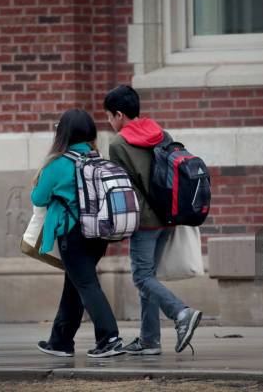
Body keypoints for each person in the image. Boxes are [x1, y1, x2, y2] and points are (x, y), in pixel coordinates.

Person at [105, 85, 202, 355]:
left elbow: (125, 189)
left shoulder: (118, 144)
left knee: (142, 277)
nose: (109, 122)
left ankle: (181, 313)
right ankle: (149, 341)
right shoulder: (161, 133)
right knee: (149, 276)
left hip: (144, 221)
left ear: (120, 115)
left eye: (109, 116)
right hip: (168, 217)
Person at [31, 108, 124, 358]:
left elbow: (38, 198)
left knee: (86, 284)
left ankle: (110, 338)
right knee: (74, 285)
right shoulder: (97, 158)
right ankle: (60, 341)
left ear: (63, 133)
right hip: (98, 234)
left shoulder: (58, 163)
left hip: (72, 236)